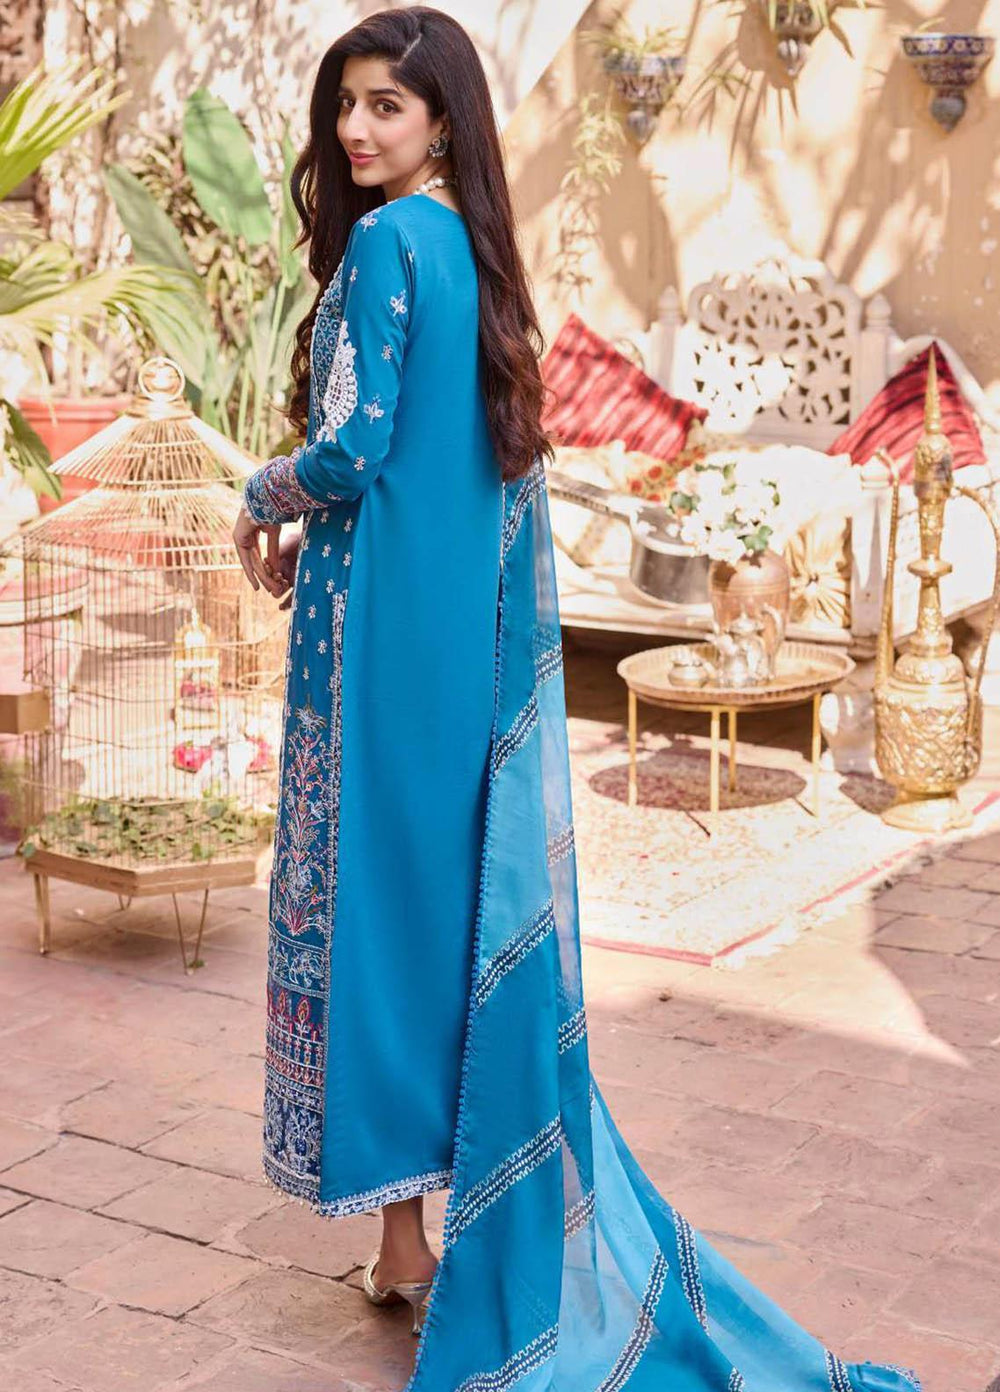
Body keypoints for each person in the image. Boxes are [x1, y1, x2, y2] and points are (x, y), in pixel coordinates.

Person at [233, 9, 923, 1391]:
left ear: (441, 120)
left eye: (386, 106)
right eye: (347, 106)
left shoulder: (387, 243)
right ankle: (415, 1247)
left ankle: (409, 1241)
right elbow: (455, 468)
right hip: (451, 655)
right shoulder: (475, 254)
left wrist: (262, 496)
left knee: (376, 925)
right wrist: (331, 538)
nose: (357, 129)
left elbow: (355, 448)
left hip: (375, 662)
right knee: (439, 923)